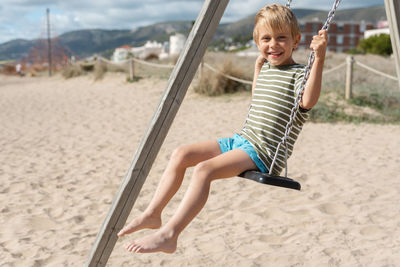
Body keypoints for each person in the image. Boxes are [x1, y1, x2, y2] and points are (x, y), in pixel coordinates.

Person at [117, 4, 328, 254]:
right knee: (181, 154)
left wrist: (319, 58)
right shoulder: (268, 68)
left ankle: (170, 234)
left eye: (282, 38)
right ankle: (153, 214)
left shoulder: (299, 74)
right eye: (266, 38)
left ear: (296, 41)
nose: (273, 44)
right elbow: (258, 100)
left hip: (263, 153)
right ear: (257, 42)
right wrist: (257, 70)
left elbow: (307, 102)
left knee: (204, 170)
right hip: (242, 140)